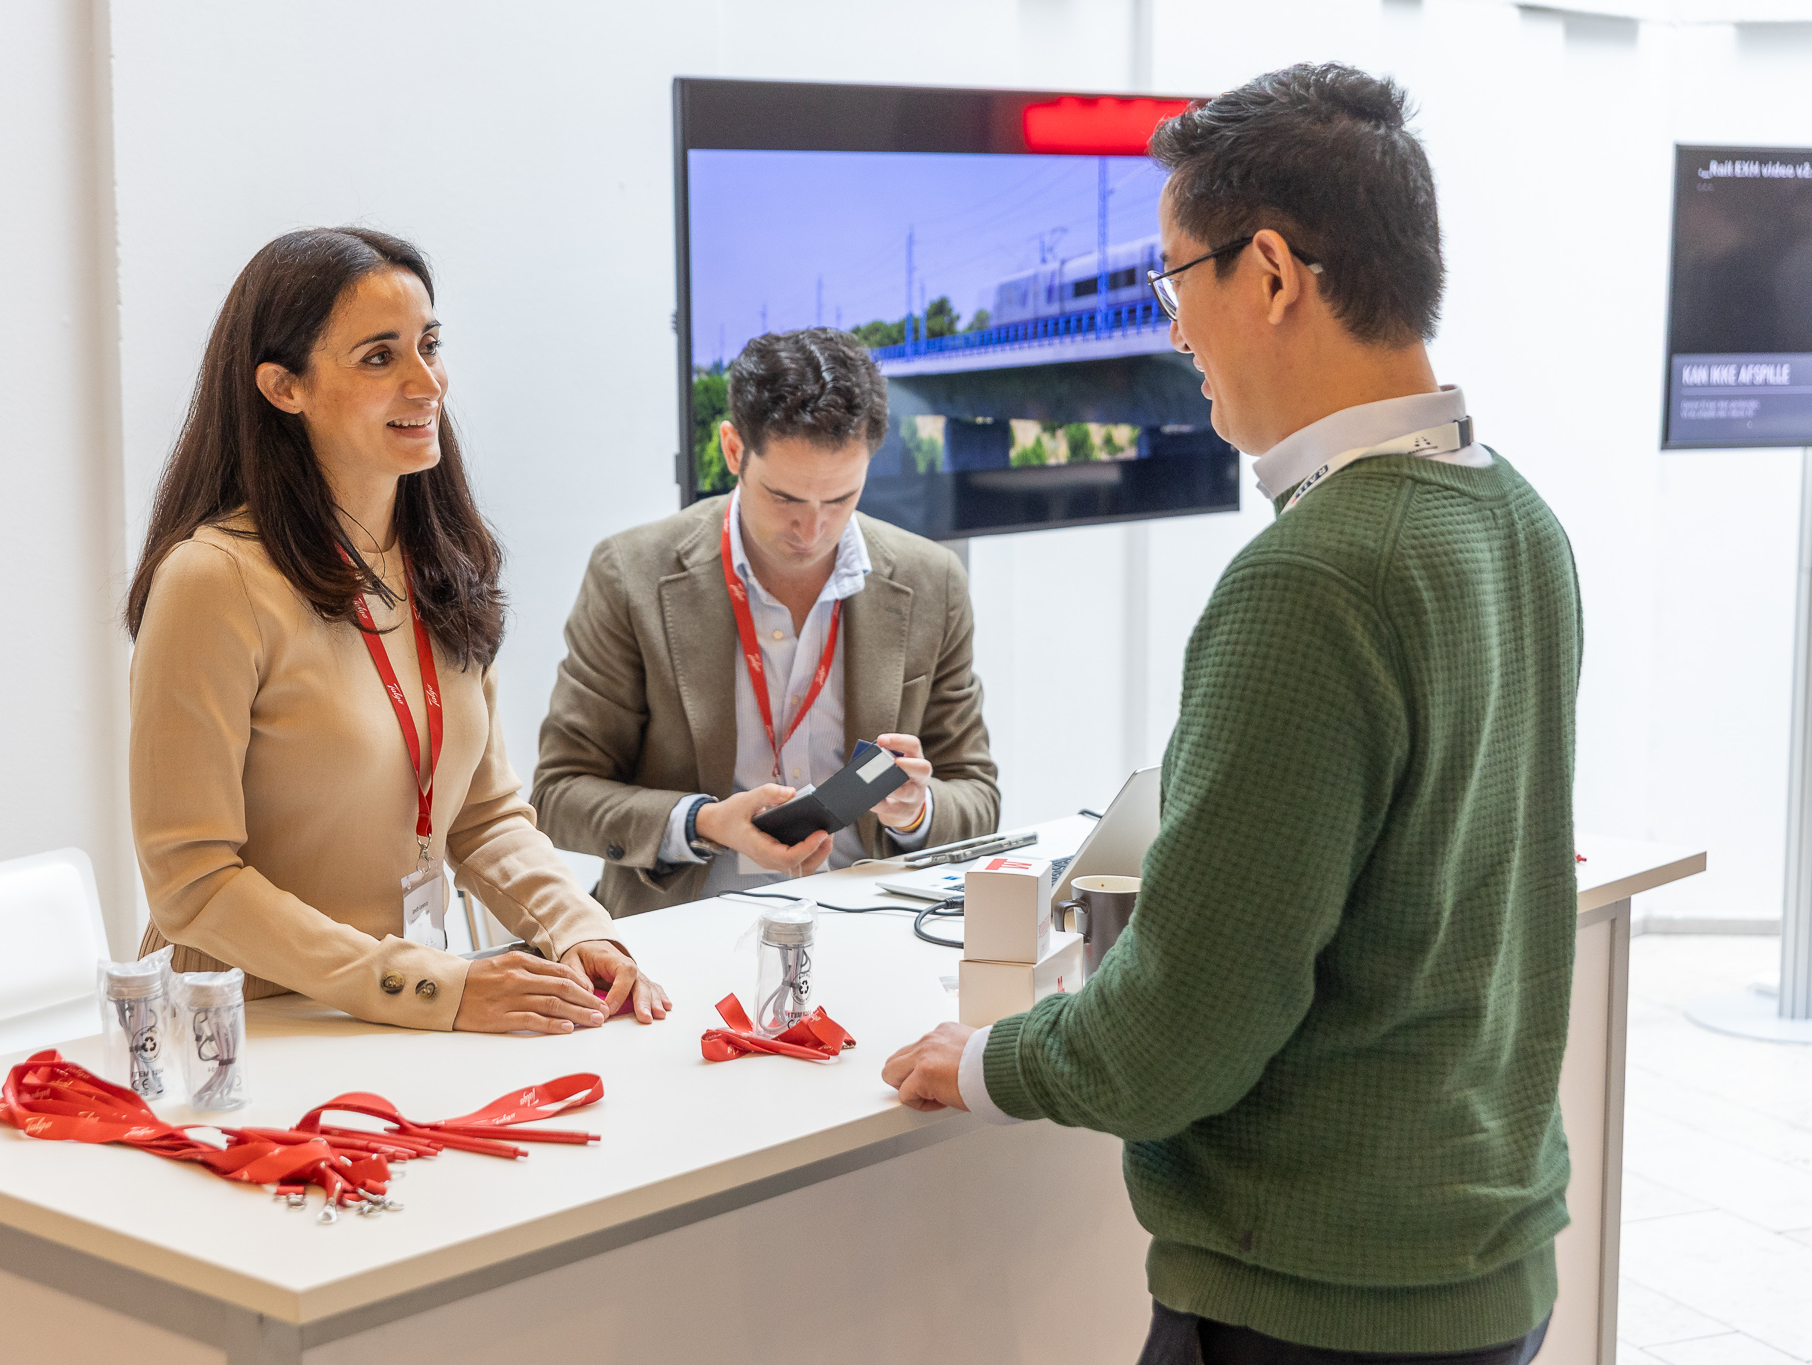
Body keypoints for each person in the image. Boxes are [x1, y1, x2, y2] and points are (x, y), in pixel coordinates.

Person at [884, 65, 1579, 1364]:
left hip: (1315, 1302)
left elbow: (1178, 1037)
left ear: (1267, 276)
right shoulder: (1517, 520)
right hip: (1485, 1264)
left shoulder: (1312, 577)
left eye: (1171, 282)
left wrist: (985, 1060)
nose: (1172, 333)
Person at [127, 227, 670, 1033]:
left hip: (400, 1013)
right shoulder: (212, 581)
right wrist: (426, 986)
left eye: (430, 345)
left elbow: (483, 815)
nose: (427, 383)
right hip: (245, 1029)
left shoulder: (440, 559)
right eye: (380, 357)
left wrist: (579, 928)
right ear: (284, 387)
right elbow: (191, 882)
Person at [532, 328, 999, 916]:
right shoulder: (631, 575)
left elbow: (977, 794)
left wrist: (916, 811)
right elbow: (559, 794)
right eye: (784, 499)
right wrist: (703, 822)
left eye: (840, 499)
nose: (813, 530)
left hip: (871, 917)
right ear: (733, 450)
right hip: (689, 921)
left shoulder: (931, 581)